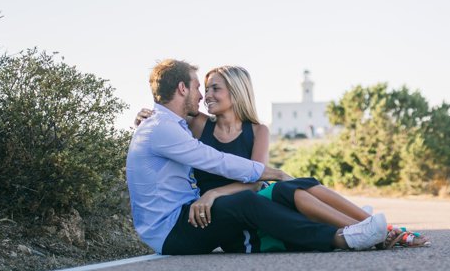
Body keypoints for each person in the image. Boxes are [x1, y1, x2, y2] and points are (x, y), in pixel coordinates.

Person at [134, 65, 429, 249]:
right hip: (215, 209)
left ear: (235, 93)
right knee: (281, 187)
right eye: (202, 87)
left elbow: (252, 177)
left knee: (295, 185)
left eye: (214, 88)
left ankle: (374, 228)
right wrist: (146, 115)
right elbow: (172, 123)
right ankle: (351, 233)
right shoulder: (193, 123)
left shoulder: (256, 130)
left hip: (230, 202)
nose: (205, 95)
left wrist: (263, 175)